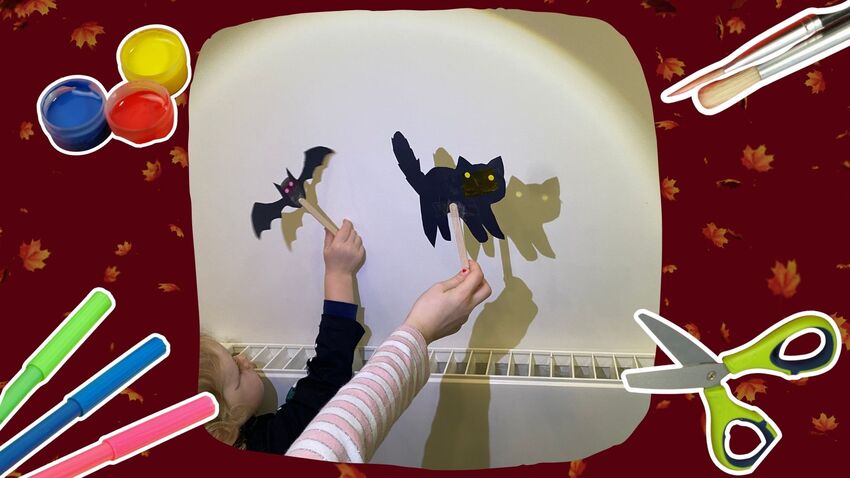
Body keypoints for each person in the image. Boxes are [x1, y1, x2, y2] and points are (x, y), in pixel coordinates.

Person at [285, 259, 492, 462]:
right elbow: (333, 443)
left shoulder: (275, 433)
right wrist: (419, 329)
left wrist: (338, 275)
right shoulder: (272, 438)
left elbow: (326, 374)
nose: (250, 361)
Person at [199, 219, 366, 453]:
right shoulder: (273, 445)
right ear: (224, 424)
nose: (244, 359)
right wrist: (339, 275)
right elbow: (327, 380)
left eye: (233, 354)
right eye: (237, 371)